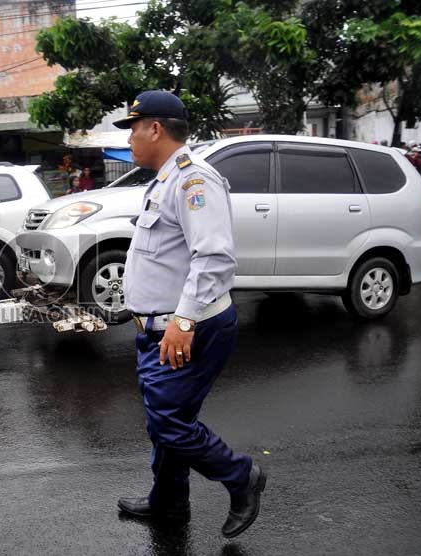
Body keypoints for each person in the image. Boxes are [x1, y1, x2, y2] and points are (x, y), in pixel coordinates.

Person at [112, 90, 265, 539]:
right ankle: (170, 503)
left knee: (168, 422)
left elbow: (214, 257)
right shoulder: (163, 180)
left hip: (188, 329)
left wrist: (182, 321)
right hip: (159, 328)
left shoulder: (194, 180)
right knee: (166, 421)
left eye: (134, 129)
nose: (131, 139)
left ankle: (241, 477)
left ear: (155, 128)